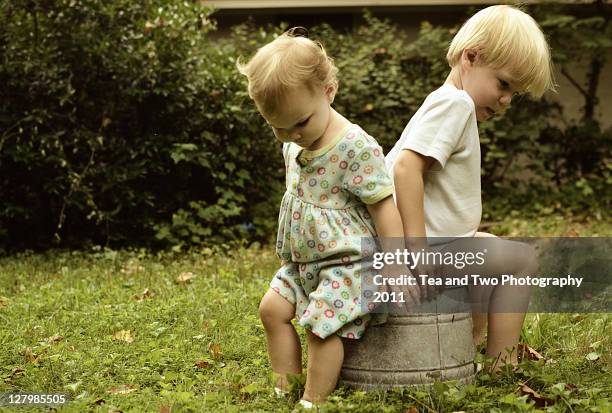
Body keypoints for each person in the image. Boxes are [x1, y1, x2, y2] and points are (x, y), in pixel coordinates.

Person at [237, 29, 412, 407]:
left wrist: (396, 264)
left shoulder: (355, 146)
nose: (291, 135)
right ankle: (284, 384)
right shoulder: (293, 141)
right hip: (304, 264)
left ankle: (314, 399)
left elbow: (384, 206)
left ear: (328, 91)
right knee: (271, 310)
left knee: (321, 328)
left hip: (350, 265)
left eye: (299, 122)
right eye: (278, 126)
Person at [385, 5, 555, 370]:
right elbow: (405, 168)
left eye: (516, 93)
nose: (507, 100)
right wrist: (416, 248)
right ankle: (501, 363)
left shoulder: (445, 102)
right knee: (522, 261)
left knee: (489, 246)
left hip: (433, 244)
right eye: (504, 84)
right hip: (422, 252)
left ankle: (466, 345)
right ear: (471, 57)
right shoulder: (456, 104)